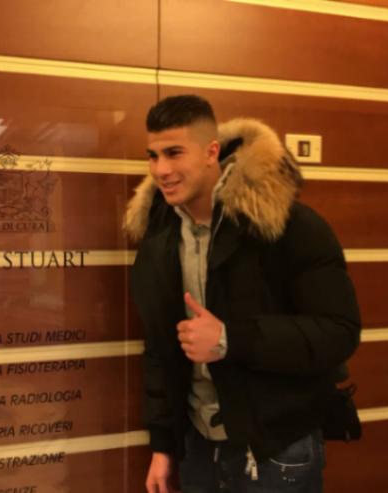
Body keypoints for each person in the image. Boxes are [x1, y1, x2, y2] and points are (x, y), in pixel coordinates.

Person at [125, 95, 361, 493]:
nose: (161, 170)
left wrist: (229, 339)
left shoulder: (287, 225)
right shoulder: (159, 236)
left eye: (174, 153)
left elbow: (339, 331)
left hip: (277, 450)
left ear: (211, 152)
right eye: (153, 156)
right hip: (199, 450)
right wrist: (164, 446)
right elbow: (159, 349)